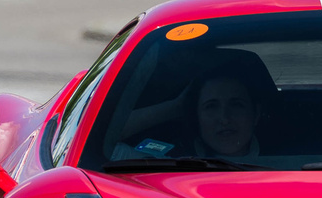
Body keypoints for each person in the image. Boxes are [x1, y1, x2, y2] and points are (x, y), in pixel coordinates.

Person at [110, 52, 271, 160]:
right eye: (211, 107)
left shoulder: (291, 159)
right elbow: (102, 142)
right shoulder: (165, 164)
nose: (224, 119)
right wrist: (174, 108)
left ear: (256, 114)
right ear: (196, 116)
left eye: (236, 105)